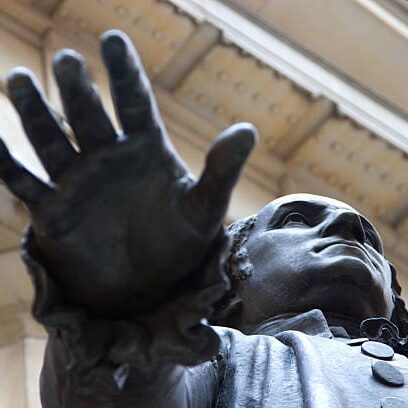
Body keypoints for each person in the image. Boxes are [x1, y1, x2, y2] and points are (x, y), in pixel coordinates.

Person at [0, 29, 407, 407]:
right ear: (228, 279)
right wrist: (121, 306)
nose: (348, 228)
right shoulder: (219, 356)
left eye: (371, 239)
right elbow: (124, 393)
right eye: (297, 219)